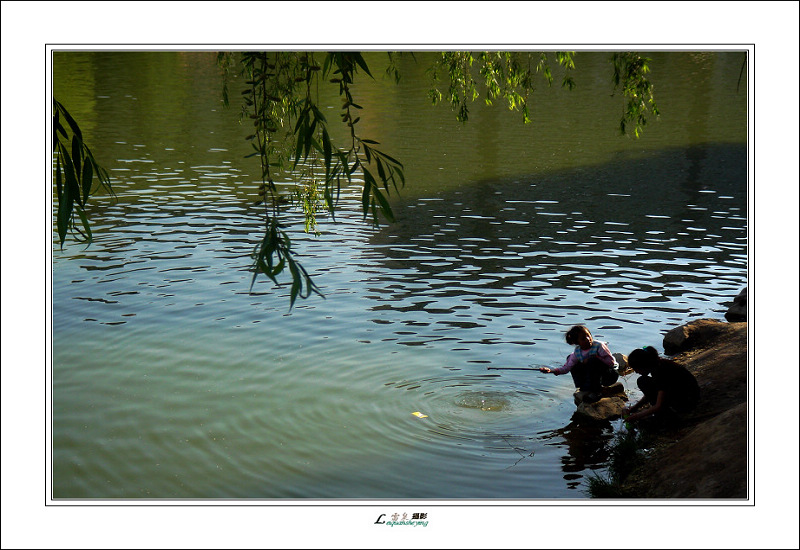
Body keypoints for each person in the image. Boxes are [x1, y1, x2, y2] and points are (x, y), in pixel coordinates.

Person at [539, 325, 619, 403]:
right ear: (577, 342)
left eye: (588, 335)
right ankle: (584, 387)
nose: (588, 339)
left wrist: (596, 358)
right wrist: (551, 371)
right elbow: (567, 368)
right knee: (572, 361)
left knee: (592, 360)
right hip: (594, 375)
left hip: (609, 375)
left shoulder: (599, 346)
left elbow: (611, 363)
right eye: (583, 338)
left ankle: (596, 392)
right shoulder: (577, 353)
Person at [623, 346, 700, 424]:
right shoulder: (658, 365)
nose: (636, 372)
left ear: (643, 365)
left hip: (687, 401)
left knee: (642, 381)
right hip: (684, 394)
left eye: (636, 369)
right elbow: (655, 391)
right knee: (643, 381)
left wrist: (637, 416)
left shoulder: (661, 372)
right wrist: (634, 408)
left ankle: (667, 415)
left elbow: (658, 405)